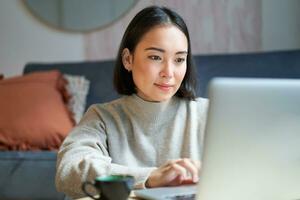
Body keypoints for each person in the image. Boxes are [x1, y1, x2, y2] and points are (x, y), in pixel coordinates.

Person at [55, 5, 209, 199]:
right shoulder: (102, 117)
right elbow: (68, 170)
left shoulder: (210, 113)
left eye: (179, 60)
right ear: (128, 59)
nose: (169, 73)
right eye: (156, 57)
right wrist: (151, 177)